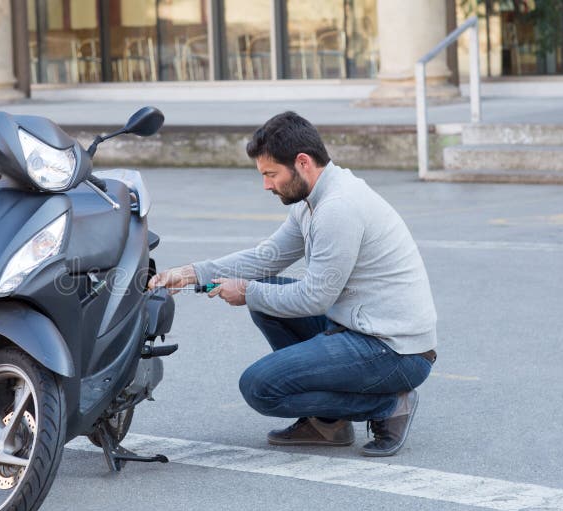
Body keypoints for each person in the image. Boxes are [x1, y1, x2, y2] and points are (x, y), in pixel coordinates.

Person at [148, 111, 437, 457]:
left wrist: (248, 293)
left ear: (302, 162)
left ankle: (388, 406)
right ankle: (328, 423)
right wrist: (191, 272)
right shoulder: (312, 199)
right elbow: (265, 258)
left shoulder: (338, 208)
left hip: (394, 351)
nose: (267, 185)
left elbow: (314, 298)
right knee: (268, 297)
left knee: (260, 387)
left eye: (271, 174)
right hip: (358, 326)